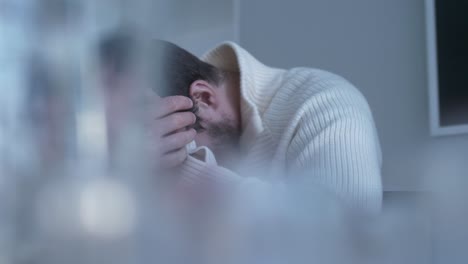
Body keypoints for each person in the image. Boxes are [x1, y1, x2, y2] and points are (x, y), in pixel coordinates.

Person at [98, 32, 383, 215]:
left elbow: (346, 232)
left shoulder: (324, 103)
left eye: (158, 132)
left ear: (203, 99)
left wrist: (182, 168)